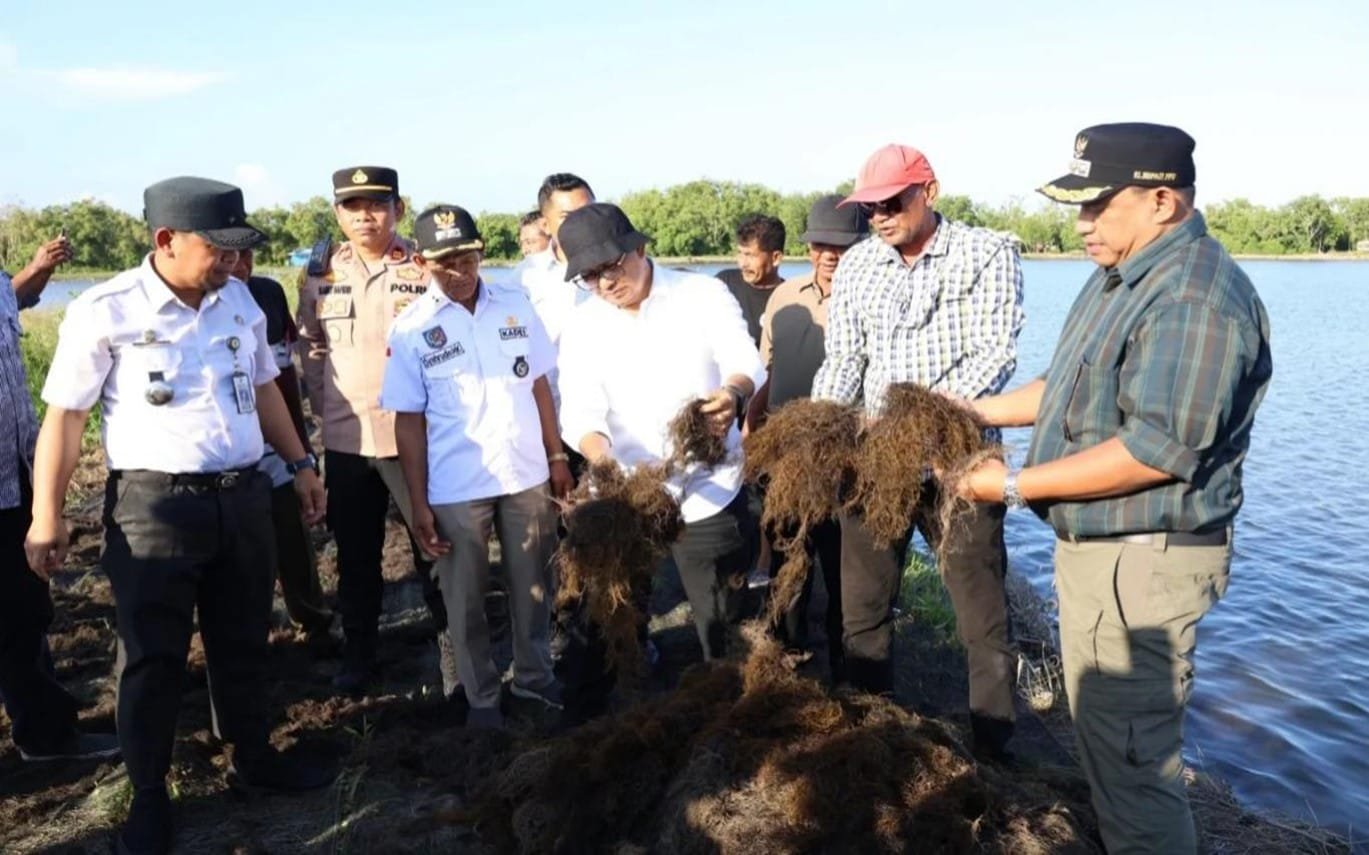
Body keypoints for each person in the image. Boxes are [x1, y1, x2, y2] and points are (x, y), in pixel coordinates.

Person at [957, 123, 1272, 853]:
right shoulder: (1121, 279)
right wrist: (969, 409)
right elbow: (1064, 390)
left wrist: (1009, 484)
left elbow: (1155, 450)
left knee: (1135, 769)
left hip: (1143, 564)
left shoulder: (1193, 297)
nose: (1080, 223)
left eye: (1097, 204)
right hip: (1105, 558)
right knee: (1104, 740)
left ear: (1161, 200)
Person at [25, 177, 336, 855]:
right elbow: (66, 418)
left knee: (243, 639)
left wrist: (301, 463)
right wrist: (46, 516)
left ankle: (252, 755)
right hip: (154, 507)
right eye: (217, 247)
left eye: (237, 248)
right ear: (166, 240)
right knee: (152, 656)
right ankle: (147, 793)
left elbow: (264, 392)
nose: (231, 260)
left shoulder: (241, 305)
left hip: (243, 495)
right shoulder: (105, 310)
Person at [811, 143, 1025, 760]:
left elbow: (994, 354)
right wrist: (826, 427)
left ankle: (994, 744)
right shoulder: (856, 266)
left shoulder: (988, 253)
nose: (878, 215)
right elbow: (845, 359)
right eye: (869, 206)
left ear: (927, 191)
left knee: (980, 617)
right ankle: (876, 734)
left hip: (960, 463)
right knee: (864, 609)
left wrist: (915, 418)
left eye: (891, 202)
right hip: (875, 464)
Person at [556, 203, 765, 720]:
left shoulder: (701, 295)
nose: (603, 283)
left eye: (611, 267)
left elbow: (745, 361)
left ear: (640, 248)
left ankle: (732, 718)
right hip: (626, 493)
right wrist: (599, 458)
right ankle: (591, 724)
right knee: (604, 621)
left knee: (722, 624)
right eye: (588, 276)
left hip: (708, 487)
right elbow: (579, 410)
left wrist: (732, 397)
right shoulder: (582, 325)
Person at [382, 205, 572, 730]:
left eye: (467, 258)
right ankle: (483, 699)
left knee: (534, 587)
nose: (460, 273)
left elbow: (539, 386)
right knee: (464, 601)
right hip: (456, 486)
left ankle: (535, 682)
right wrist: (418, 502)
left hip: (526, 474)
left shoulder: (516, 304)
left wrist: (557, 456)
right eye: (445, 264)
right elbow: (409, 423)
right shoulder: (412, 329)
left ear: (482, 252)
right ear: (421, 263)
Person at [295, 166, 449, 694]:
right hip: (346, 440)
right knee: (356, 560)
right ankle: (359, 659)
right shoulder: (320, 273)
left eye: (377, 204)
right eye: (353, 206)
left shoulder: (426, 267)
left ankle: (455, 659)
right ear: (338, 212)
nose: (366, 215)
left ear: (398, 210)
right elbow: (310, 345)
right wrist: (322, 406)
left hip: (416, 439)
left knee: (434, 549)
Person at [1, 234, 121, 764]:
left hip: (14, 482)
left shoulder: (2, 287)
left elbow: (22, 294)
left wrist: (38, 268)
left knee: (24, 612)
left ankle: (45, 735)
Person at [745, 194, 868, 676]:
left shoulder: (871, 302)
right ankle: (787, 653)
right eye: (819, 245)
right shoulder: (785, 296)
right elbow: (767, 368)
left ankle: (847, 667)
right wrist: (751, 424)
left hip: (848, 462)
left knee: (845, 573)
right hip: (784, 457)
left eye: (841, 245)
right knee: (786, 559)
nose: (829, 255)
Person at [232, 248, 334, 648]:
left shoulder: (268, 295)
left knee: (292, 536)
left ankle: (313, 619)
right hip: (230, 456)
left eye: (247, 255)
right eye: (231, 255)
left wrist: (302, 452)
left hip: (277, 447)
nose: (241, 264)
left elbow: (282, 379)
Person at [510, 172, 595, 416]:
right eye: (567, 217)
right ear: (546, 225)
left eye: (588, 212)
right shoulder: (523, 278)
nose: (582, 223)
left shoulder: (624, 269)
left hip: (613, 423)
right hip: (549, 418)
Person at [715, 214, 787, 346]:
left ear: (776, 258)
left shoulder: (788, 299)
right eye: (740, 253)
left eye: (750, 255)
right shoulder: (723, 284)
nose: (742, 263)